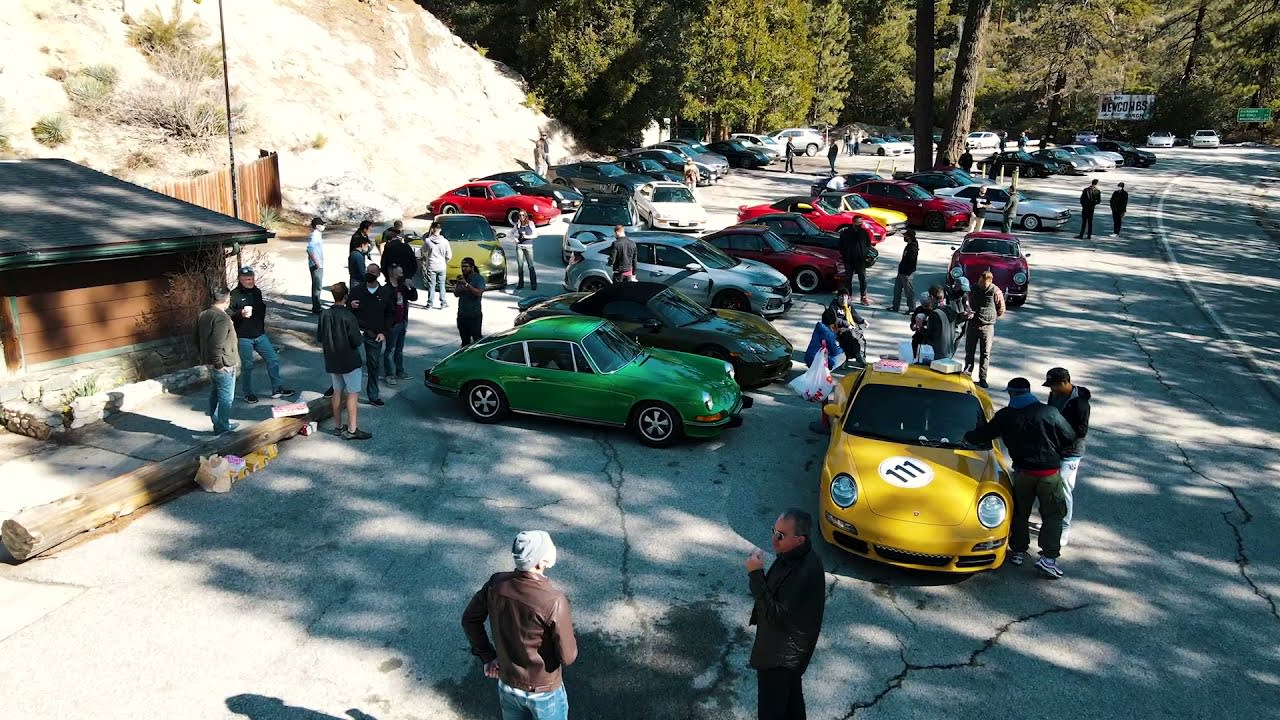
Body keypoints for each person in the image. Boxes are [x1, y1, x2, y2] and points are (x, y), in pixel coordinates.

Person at [964, 378, 1076, 579]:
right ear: (1028, 391)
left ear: (1012, 394)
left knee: (1020, 513)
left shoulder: (1006, 416)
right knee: (1053, 516)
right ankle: (1048, 558)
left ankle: (1017, 551)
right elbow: (1069, 435)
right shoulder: (1048, 412)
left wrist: (961, 433)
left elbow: (982, 435)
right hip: (1050, 475)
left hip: (1023, 474)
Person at [462, 531, 577, 720]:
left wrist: (488, 656)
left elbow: (470, 620)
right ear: (540, 561)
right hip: (544, 692)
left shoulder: (495, 584)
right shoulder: (554, 601)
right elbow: (568, 656)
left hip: (507, 684)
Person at [746, 509, 826, 720]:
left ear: (799, 540)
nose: (774, 538)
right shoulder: (796, 556)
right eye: (774, 530)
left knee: (771, 712)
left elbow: (774, 614)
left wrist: (755, 575)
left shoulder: (803, 571)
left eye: (780, 535)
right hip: (789, 653)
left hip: (780, 658)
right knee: (791, 706)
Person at [228, 267, 294, 404]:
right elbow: (229, 314)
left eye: (252, 278)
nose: (250, 281)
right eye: (247, 279)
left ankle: (277, 389)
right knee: (247, 366)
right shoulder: (234, 295)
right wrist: (240, 314)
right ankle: (248, 393)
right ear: (240, 279)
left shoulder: (256, 292)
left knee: (273, 359)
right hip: (244, 337)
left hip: (260, 334)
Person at [1041, 367, 1091, 546]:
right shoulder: (1054, 395)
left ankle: (1064, 528)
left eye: (1053, 385)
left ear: (1064, 382)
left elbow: (1081, 431)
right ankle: (1051, 520)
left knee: (1064, 489)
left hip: (1071, 453)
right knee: (1049, 487)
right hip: (1053, 448)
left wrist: (1060, 432)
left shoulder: (1080, 403)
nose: (1051, 390)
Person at [316, 282, 370, 440]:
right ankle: (352, 429)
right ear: (346, 297)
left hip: (332, 359)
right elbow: (356, 340)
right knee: (353, 394)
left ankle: (338, 426)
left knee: (337, 391)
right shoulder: (348, 316)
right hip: (349, 360)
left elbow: (320, 336)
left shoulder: (324, 314)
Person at [349, 262, 393, 406]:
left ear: (378, 274)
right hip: (356, 333)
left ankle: (373, 395)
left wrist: (384, 332)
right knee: (347, 363)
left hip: (374, 335)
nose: (369, 274)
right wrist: (350, 305)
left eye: (372, 272)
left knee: (373, 365)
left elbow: (390, 315)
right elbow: (345, 310)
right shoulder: (356, 290)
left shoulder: (385, 293)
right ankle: (338, 391)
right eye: (368, 271)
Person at [195, 288, 238, 434]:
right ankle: (223, 429)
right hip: (223, 364)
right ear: (226, 300)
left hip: (210, 363)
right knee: (226, 399)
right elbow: (216, 344)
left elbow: (197, 339)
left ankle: (219, 423)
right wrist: (219, 365)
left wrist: (205, 359)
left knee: (215, 394)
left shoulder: (204, 314)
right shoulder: (222, 319)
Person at [963, 270, 1005, 388]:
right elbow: (966, 301)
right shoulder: (973, 288)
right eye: (980, 282)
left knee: (985, 353)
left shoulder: (995, 292)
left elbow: (1001, 308)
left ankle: (982, 378)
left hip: (987, 327)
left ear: (990, 282)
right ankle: (967, 374)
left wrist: (990, 317)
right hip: (973, 324)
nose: (981, 285)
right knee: (969, 351)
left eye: (984, 283)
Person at [381, 265, 418, 387]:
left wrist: (411, 287)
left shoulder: (402, 287)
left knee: (399, 349)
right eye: (401, 273)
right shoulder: (386, 289)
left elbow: (414, 298)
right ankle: (389, 374)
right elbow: (383, 309)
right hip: (392, 324)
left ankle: (400, 371)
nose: (403, 275)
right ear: (394, 274)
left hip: (402, 322)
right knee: (390, 349)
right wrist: (387, 325)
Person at [829, 288, 867, 366]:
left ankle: (854, 354)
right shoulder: (834, 305)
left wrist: (863, 321)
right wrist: (847, 324)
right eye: (841, 296)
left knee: (857, 334)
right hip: (839, 327)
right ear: (838, 297)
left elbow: (854, 314)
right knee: (850, 335)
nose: (843, 298)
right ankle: (857, 355)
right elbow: (835, 319)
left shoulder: (849, 304)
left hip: (851, 325)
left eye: (845, 296)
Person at [838, 220, 873, 305]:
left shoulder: (864, 233)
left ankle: (863, 297)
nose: (860, 225)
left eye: (860, 223)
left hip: (860, 260)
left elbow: (868, 245)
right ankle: (848, 296)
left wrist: (865, 255)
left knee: (863, 279)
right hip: (849, 260)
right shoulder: (846, 232)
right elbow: (840, 245)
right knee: (848, 279)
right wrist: (845, 255)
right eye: (858, 223)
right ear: (853, 223)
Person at [455, 257, 487, 346]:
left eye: (466, 266)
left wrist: (466, 285)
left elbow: (479, 293)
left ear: (472, 267)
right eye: (462, 267)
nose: (463, 269)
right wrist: (460, 285)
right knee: (465, 341)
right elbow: (456, 294)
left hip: (474, 316)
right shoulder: (462, 278)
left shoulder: (479, 279)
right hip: (462, 315)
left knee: (477, 341)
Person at [420, 223, 452, 310]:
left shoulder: (428, 241)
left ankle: (429, 304)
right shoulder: (445, 241)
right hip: (441, 266)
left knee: (431, 285)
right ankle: (443, 303)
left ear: (432, 230)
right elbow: (449, 255)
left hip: (431, 266)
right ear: (440, 230)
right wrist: (445, 261)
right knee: (442, 285)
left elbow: (423, 251)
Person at [889, 229, 918, 313]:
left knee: (909, 291)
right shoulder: (909, 245)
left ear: (909, 237)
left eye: (905, 236)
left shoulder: (912, 247)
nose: (904, 237)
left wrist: (907, 272)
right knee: (897, 290)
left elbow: (911, 262)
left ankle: (912, 308)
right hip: (901, 271)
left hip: (906, 273)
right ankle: (895, 306)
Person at [924, 286, 955, 360]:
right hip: (948, 351)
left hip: (936, 353)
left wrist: (921, 329)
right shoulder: (950, 309)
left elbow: (931, 335)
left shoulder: (935, 313)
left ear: (931, 297)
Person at [513, 210, 538, 291]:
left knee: (530, 265)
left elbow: (535, 234)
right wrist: (515, 239)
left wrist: (526, 236)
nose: (521, 217)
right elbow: (510, 233)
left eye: (523, 215)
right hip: (520, 247)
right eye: (520, 215)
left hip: (528, 246)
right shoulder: (518, 224)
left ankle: (533, 284)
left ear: (526, 216)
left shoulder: (530, 223)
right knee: (520, 266)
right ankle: (521, 283)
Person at [306, 217, 325, 314]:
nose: (323, 226)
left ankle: (317, 305)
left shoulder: (318, 234)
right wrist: (316, 262)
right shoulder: (314, 235)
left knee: (318, 285)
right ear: (317, 226)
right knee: (317, 286)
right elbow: (309, 249)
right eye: (322, 225)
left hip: (318, 263)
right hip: (316, 265)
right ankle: (316, 307)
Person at [909, 292, 933, 359]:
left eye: (926, 304)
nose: (924, 306)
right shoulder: (918, 309)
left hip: (928, 340)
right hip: (917, 337)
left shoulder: (933, 311)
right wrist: (913, 326)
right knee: (914, 355)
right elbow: (913, 321)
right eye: (923, 304)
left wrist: (925, 328)